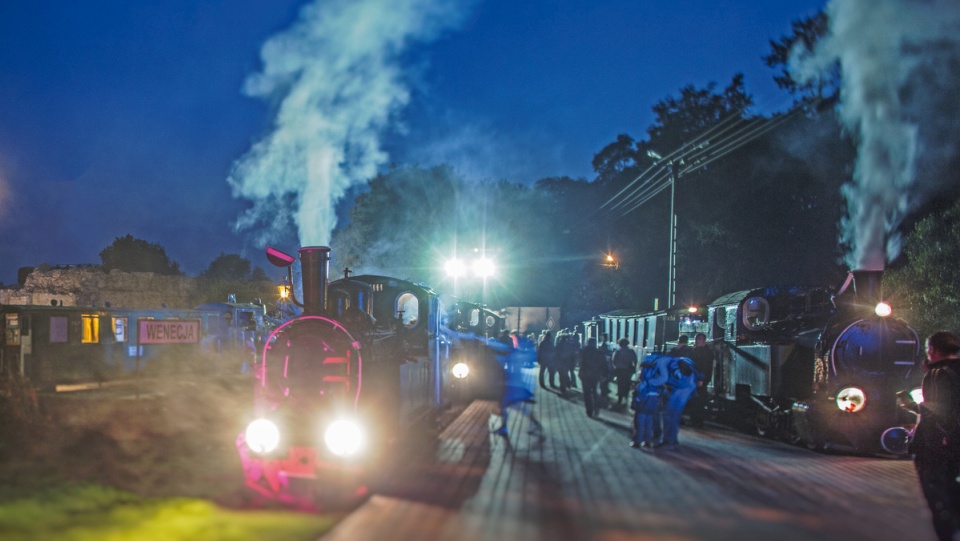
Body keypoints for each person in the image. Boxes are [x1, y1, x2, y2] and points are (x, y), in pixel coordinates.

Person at [910, 331, 960, 540]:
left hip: (937, 447)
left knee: (939, 499)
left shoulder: (936, 375)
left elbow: (936, 411)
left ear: (932, 350)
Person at [491, 333, 543, 437]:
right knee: (513, 407)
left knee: (510, 406)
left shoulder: (512, 354)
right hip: (515, 385)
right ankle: (534, 424)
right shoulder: (515, 353)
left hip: (514, 386)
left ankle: (505, 428)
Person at [659, 355, 699, 449]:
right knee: (674, 414)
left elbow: (664, 380)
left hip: (682, 388)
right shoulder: (679, 361)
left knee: (670, 414)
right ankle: (672, 439)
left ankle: (668, 441)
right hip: (688, 387)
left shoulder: (663, 365)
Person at [631, 353, 668, 450]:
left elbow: (640, 395)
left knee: (639, 424)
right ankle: (648, 441)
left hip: (643, 405)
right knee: (649, 424)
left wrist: (636, 400)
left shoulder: (644, 383)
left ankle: (637, 441)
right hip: (653, 405)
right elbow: (663, 393)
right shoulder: (658, 381)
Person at [684, 333, 715, 427]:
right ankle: (694, 419)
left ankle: (698, 421)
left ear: (704, 340)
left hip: (701, 379)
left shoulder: (707, 352)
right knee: (694, 400)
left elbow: (706, 367)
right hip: (693, 378)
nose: (697, 341)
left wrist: (702, 379)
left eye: (700, 339)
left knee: (699, 401)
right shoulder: (695, 351)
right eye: (697, 339)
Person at [578, 337, 609, 418]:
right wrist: (605, 375)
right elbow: (604, 364)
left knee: (586, 393)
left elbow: (579, 361)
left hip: (584, 375)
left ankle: (589, 410)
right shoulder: (598, 352)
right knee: (595, 392)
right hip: (595, 375)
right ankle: (596, 408)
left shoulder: (583, 351)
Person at [612, 338, 638, 407]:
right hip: (628, 370)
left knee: (620, 384)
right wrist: (634, 368)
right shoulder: (631, 351)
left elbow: (613, 360)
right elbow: (635, 360)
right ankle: (626, 398)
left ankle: (620, 399)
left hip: (620, 370)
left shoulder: (617, 351)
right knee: (627, 384)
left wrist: (616, 367)